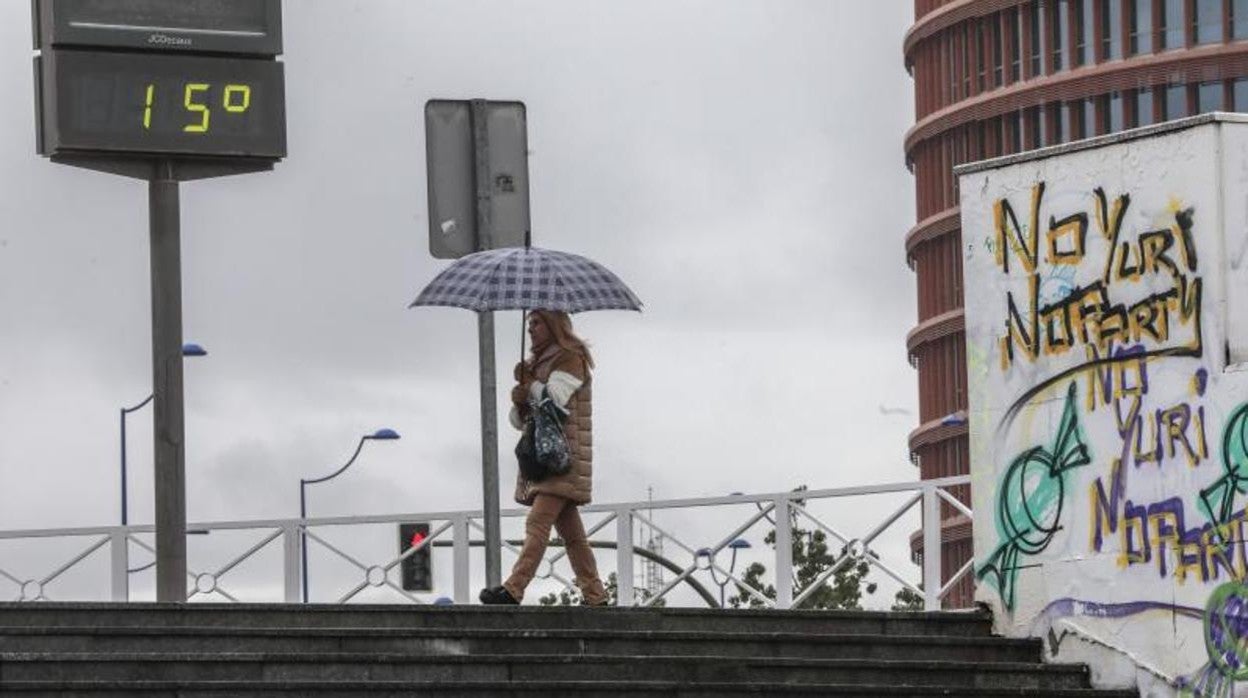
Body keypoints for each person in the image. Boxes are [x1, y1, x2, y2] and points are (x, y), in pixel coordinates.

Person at [479, 309, 608, 606]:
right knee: (573, 535)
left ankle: (513, 588)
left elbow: (555, 401)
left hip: (562, 458)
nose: (531, 329)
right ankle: (595, 594)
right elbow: (520, 421)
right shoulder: (536, 365)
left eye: (536, 323)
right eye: (529, 324)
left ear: (552, 325)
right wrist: (520, 401)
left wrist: (532, 387)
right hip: (547, 460)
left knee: (537, 524)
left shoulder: (569, 358)